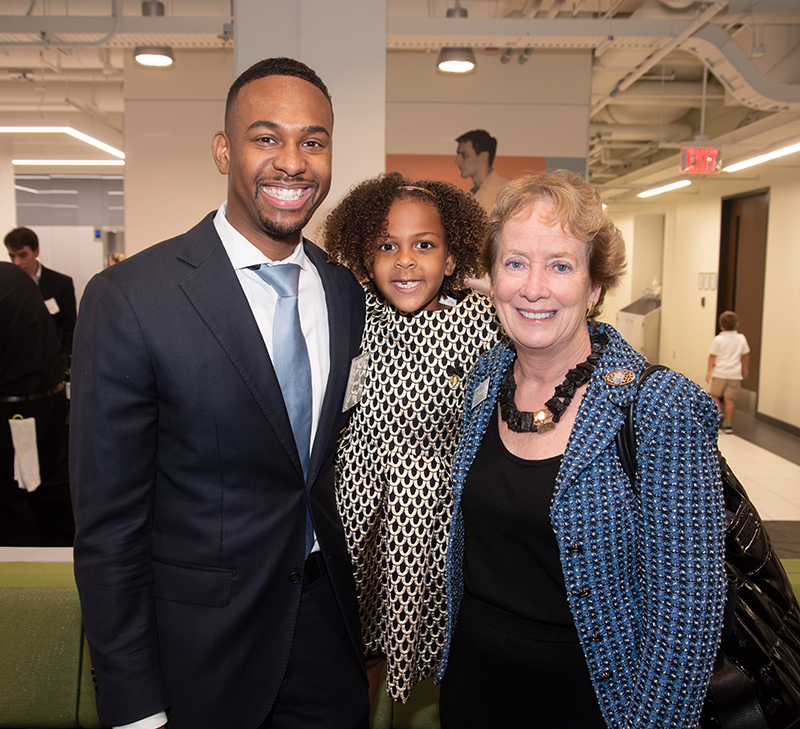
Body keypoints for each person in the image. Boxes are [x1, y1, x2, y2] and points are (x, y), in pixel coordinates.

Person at [69, 58, 368, 729]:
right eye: (267, 138)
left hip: (326, 638)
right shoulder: (132, 299)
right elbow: (108, 526)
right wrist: (133, 702)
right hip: (198, 655)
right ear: (224, 149)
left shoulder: (344, 293)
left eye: (313, 141)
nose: (293, 162)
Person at [436, 170, 726, 728]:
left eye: (561, 265)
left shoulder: (660, 407)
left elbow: (688, 616)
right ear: (492, 279)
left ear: (595, 288)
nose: (534, 287)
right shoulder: (485, 378)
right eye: (515, 262)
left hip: (593, 701)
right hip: (474, 689)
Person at [323, 174, 500, 707]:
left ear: (451, 259)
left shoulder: (483, 323)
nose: (405, 261)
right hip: (355, 507)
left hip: (432, 518)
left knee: (441, 644)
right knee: (352, 645)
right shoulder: (350, 313)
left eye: (424, 245)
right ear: (364, 255)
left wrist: (494, 285)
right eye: (387, 246)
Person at [0, 262, 73, 546]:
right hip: (51, 402)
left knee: (14, 500)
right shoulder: (14, 277)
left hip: (13, 411)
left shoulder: (10, 281)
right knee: (54, 490)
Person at [5, 226, 77, 358]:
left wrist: (64, 360)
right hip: (17, 365)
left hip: (51, 363)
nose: (17, 263)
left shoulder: (61, 284)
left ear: (36, 252)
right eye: (12, 256)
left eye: (23, 255)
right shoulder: (6, 286)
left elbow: (70, 327)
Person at [707, 310, 750, 434]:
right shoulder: (741, 338)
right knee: (729, 399)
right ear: (737, 324)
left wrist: (709, 371)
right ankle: (729, 424)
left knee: (714, 395)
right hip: (735, 373)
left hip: (720, 372)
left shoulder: (718, 339)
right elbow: (745, 355)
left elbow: (712, 356)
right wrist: (745, 369)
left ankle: (718, 412)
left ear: (721, 325)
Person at [454, 129, 510, 215]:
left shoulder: (506, 191)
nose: (457, 161)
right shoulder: (470, 191)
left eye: (464, 155)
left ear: (484, 157)